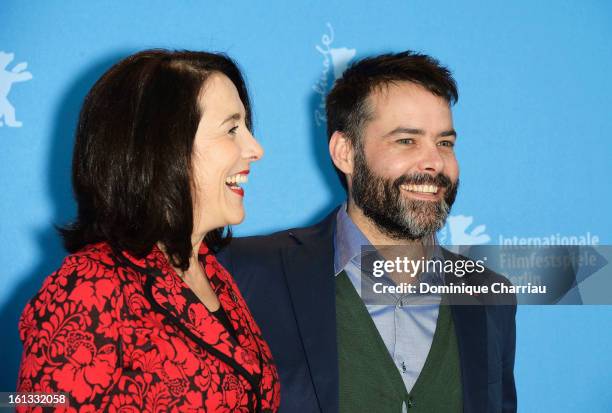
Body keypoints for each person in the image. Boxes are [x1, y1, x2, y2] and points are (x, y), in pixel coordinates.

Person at [217, 51, 517, 412]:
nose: (434, 162)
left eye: (445, 143)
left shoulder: (488, 296)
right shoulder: (246, 273)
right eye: (406, 140)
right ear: (346, 153)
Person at [17, 50, 280, 412]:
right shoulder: (89, 287)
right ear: (163, 147)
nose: (255, 149)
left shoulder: (211, 273)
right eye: (232, 129)